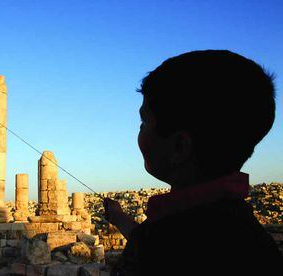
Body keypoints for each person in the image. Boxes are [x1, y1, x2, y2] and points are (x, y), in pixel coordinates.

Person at [103, 50, 282, 274]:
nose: (139, 131)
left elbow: (159, 246)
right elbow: (157, 237)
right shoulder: (233, 223)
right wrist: (119, 218)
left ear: (179, 147)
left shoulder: (160, 250)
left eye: (144, 123)